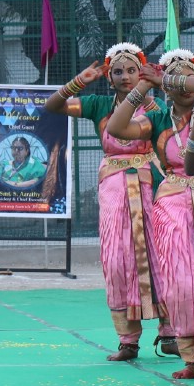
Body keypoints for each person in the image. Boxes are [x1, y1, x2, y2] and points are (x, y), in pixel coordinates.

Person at [104, 50, 194, 378]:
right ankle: (192, 356)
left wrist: (166, 77)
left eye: (188, 75)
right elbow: (117, 128)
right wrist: (142, 87)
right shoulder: (157, 120)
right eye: (175, 77)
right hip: (173, 206)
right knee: (180, 283)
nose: (184, 82)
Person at [48, 43, 168, 361]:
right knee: (116, 262)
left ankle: (170, 331)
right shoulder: (100, 105)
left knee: (158, 258)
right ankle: (128, 339)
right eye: (119, 71)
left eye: (132, 70)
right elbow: (53, 106)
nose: (126, 76)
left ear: (141, 72)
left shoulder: (155, 110)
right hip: (113, 192)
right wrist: (79, 81)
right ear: (110, 78)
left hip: (150, 187)